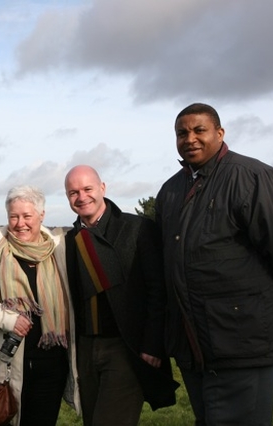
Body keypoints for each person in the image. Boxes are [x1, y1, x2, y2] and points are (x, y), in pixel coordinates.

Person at [155, 103, 273, 425]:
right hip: (194, 343)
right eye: (181, 133)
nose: (190, 139)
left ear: (219, 132)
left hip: (242, 338)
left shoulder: (254, 177)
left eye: (199, 130)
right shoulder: (171, 190)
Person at [0, 185, 80, 426]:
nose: (20, 223)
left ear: (41, 215)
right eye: (14, 216)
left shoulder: (58, 248)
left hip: (51, 363)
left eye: (27, 216)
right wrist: (7, 318)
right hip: (2, 366)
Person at [63, 165, 178, 426]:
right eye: (73, 192)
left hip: (126, 347)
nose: (81, 197)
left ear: (102, 188)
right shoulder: (70, 240)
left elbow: (158, 292)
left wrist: (152, 345)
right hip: (86, 347)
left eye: (87, 189)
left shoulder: (137, 228)